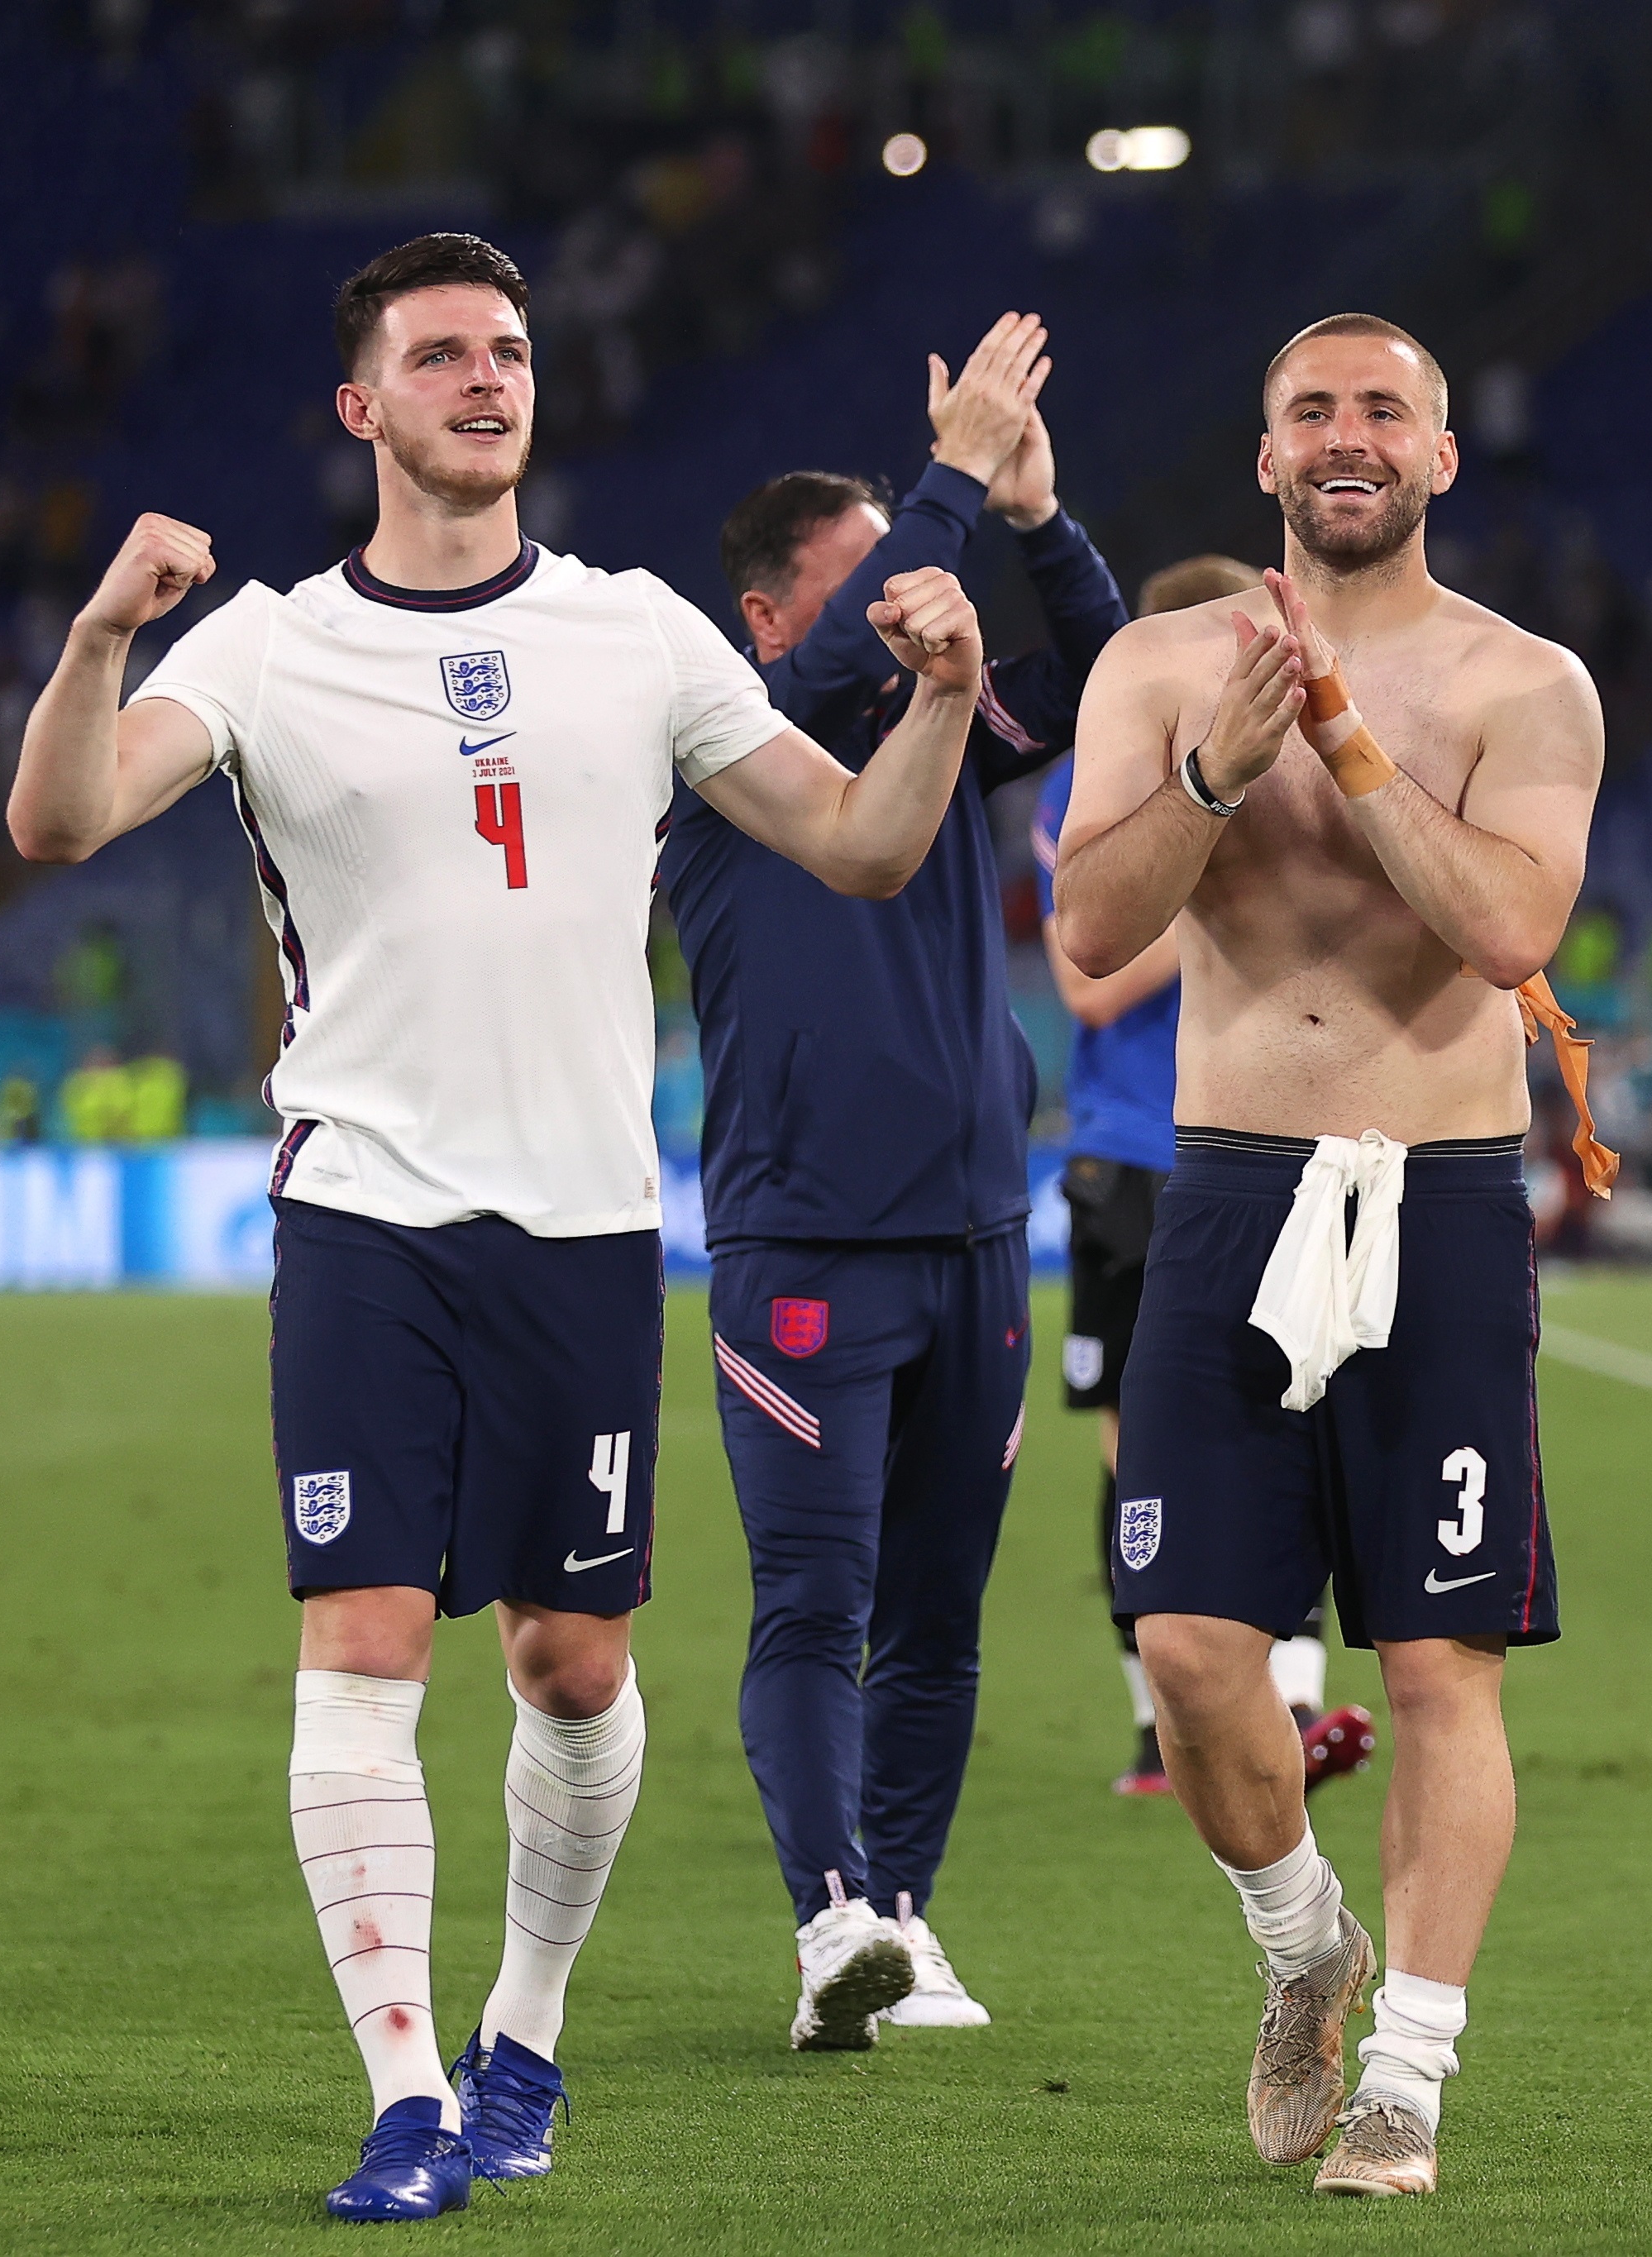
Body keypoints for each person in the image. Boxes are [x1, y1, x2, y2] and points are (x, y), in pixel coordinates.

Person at [5, 233, 980, 2220]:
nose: (484, 377)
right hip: (364, 1209)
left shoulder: (641, 636)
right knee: (360, 1648)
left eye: (509, 352)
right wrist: (105, 629)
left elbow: (866, 845)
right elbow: (60, 824)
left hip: (583, 1224)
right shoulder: (265, 643)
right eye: (438, 354)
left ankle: (522, 2038)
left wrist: (950, 695)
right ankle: (405, 2095)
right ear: (361, 407)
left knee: (568, 1667)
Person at [1050, 312, 1603, 2199]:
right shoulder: (1152, 665)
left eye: (1383, 409)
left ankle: (1411, 2085)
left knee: (1441, 1666)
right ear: (1265, 456)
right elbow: (1090, 930)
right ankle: (1305, 1952)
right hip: (1223, 1186)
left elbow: (1508, 931)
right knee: (1195, 1646)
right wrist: (1210, 772)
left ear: (1442, 454)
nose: (1346, 435)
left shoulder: (1523, 685)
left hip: (1430, 1193)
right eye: (1311, 409)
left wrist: (1351, 752)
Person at [660, 314, 1124, 2047]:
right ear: (772, 621)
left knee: (937, 1619)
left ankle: (903, 1928)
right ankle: (823, 1915)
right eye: (867, 585)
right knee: (815, 1603)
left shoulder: (939, 726)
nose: (917, 609)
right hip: (802, 1246)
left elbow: (1103, 680)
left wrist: (1033, 510)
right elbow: (873, 642)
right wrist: (938, 489)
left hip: (980, 1237)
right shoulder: (724, 749)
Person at [1030, 551, 1375, 1801]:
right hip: (1135, 1154)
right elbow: (1088, 972)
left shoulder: (1333, 746)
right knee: (1142, 1451)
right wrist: (1224, 873)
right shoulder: (1099, 773)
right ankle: (1154, 1727)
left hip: (1277, 1141)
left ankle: (1290, 1705)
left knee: (1304, 1418)